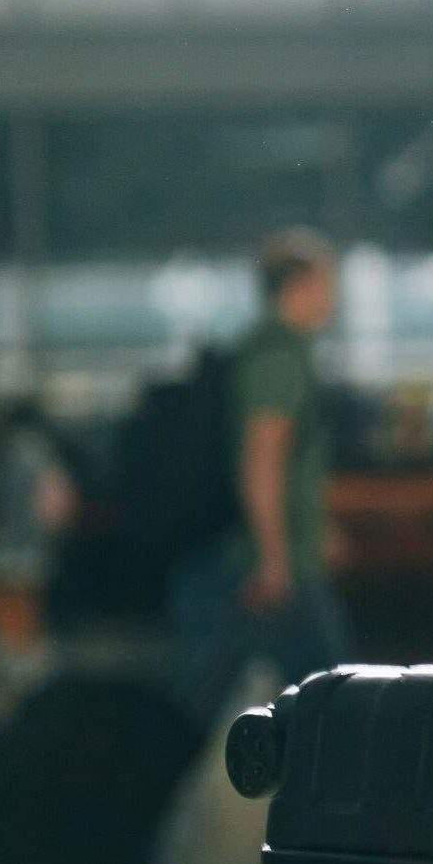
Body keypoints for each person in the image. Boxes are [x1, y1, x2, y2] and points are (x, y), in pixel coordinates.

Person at [166, 228, 354, 722]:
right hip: (272, 560)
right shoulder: (279, 357)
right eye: (327, 282)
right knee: (331, 693)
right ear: (301, 285)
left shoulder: (265, 350)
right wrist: (273, 557)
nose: (333, 297)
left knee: (221, 684)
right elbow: (262, 459)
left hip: (271, 554)